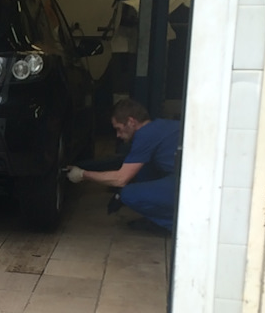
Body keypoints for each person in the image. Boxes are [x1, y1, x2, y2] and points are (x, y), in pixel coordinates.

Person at [66, 98, 180, 233]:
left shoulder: (145, 135)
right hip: (187, 176)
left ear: (131, 122)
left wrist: (82, 174)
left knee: (128, 194)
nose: (118, 135)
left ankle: (178, 225)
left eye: (118, 129)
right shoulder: (159, 126)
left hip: (189, 184)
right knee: (142, 166)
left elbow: (121, 179)